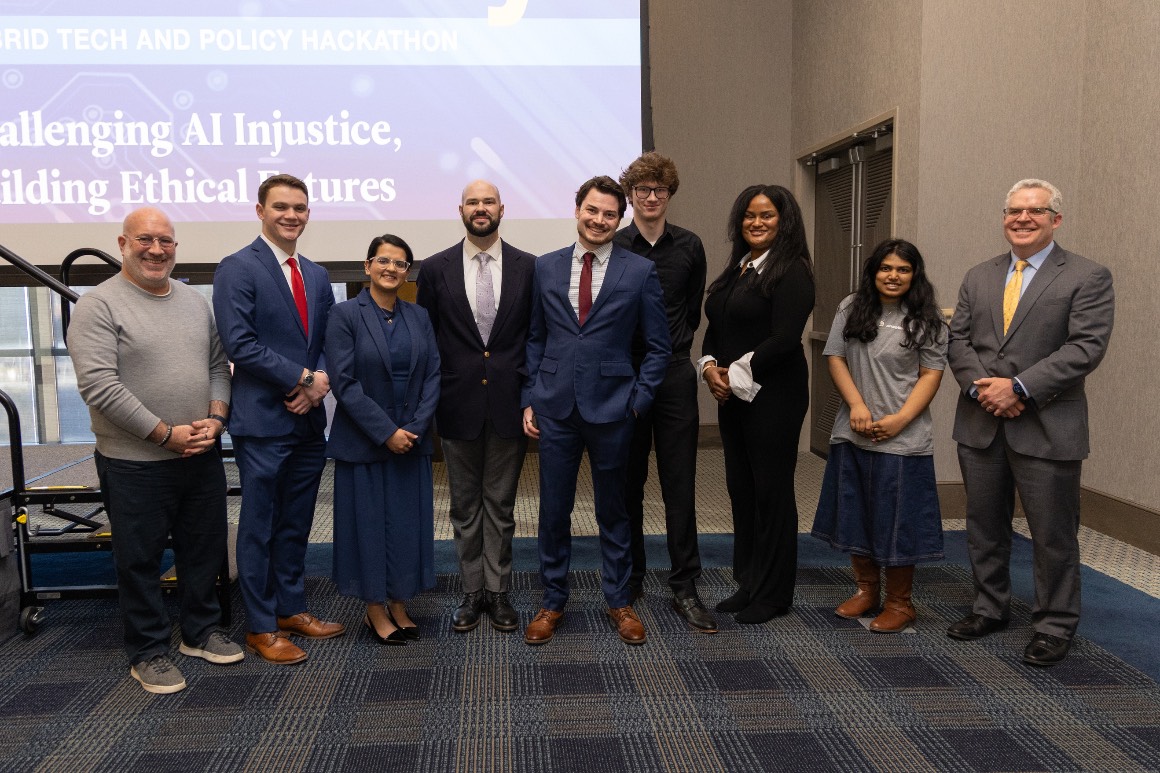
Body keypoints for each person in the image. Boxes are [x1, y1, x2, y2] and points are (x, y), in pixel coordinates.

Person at [70, 207, 241, 694]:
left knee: (202, 549)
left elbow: (218, 366)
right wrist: (164, 434)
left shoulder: (194, 302)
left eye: (165, 240)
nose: (156, 249)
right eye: (145, 239)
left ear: (175, 248)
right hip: (134, 462)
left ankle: (200, 632)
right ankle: (147, 651)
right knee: (139, 559)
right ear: (123, 244)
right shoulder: (98, 306)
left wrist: (217, 419)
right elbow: (99, 386)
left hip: (200, 452)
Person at [946, 179, 1114, 666]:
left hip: (1047, 425)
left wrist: (1017, 388)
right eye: (1013, 211)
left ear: (1055, 219)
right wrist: (985, 388)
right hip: (981, 421)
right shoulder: (979, 275)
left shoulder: (1087, 276)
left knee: (1053, 533)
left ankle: (1054, 625)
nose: (1022, 218)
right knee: (983, 525)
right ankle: (989, 608)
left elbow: (1085, 347)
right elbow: (958, 341)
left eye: (1035, 211)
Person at [521, 175, 671, 647]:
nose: (599, 220)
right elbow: (535, 338)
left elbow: (659, 347)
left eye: (609, 214)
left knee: (614, 510)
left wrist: (638, 401)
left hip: (614, 409)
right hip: (555, 407)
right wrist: (531, 396)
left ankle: (619, 600)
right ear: (577, 210)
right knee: (553, 510)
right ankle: (552, 601)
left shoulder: (639, 271)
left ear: (620, 218)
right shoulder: (545, 267)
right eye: (592, 210)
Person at [213, 173, 343, 665]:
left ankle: (291, 609)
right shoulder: (237, 268)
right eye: (281, 207)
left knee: (296, 522)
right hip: (263, 421)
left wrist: (320, 381)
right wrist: (304, 378)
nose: (291, 215)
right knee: (259, 526)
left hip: (307, 421)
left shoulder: (317, 274)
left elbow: (328, 340)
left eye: (300, 208)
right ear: (260, 211)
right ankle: (261, 626)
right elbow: (240, 344)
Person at [416, 180, 535, 634]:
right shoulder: (435, 269)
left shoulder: (530, 267)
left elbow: (535, 337)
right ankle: (471, 592)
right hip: (455, 402)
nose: (480, 208)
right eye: (473, 202)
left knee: (501, 505)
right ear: (460, 210)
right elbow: (427, 340)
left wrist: (533, 398)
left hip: (510, 403)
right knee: (464, 506)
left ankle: (498, 592)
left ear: (502, 209)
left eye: (488, 201)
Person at [811, 239, 948, 633]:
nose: (893, 276)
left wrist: (900, 420)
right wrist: (856, 405)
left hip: (903, 438)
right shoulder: (851, 307)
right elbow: (835, 357)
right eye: (886, 268)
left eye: (903, 269)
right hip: (853, 431)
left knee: (898, 521)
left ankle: (900, 604)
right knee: (856, 514)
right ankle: (866, 590)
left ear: (914, 275)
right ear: (873, 271)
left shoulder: (928, 319)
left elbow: (931, 374)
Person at [700, 184, 815, 624]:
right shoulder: (740, 267)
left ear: (784, 221)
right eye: (749, 215)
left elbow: (784, 339)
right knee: (742, 490)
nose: (757, 222)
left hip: (774, 397)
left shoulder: (792, 270)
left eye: (767, 215)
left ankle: (773, 594)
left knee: (771, 492)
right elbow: (716, 326)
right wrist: (709, 367)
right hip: (733, 396)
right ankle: (748, 583)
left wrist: (733, 373)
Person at [613, 152, 715, 633]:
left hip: (673, 373)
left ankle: (684, 585)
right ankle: (631, 577)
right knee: (627, 483)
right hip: (626, 375)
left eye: (659, 190)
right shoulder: (615, 245)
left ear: (669, 194)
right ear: (630, 195)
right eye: (642, 190)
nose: (651, 197)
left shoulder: (690, 246)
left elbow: (692, 312)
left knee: (679, 484)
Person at [326, 234, 440, 645]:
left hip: (411, 441)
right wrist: (386, 431)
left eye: (400, 263)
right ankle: (375, 608)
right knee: (369, 527)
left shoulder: (418, 315)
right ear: (368, 266)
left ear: (407, 272)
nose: (391, 268)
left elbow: (433, 374)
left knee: (406, 526)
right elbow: (344, 382)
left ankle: (399, 602)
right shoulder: (344, 315)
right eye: (383, 260)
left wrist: (415, 427)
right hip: (365, 442)